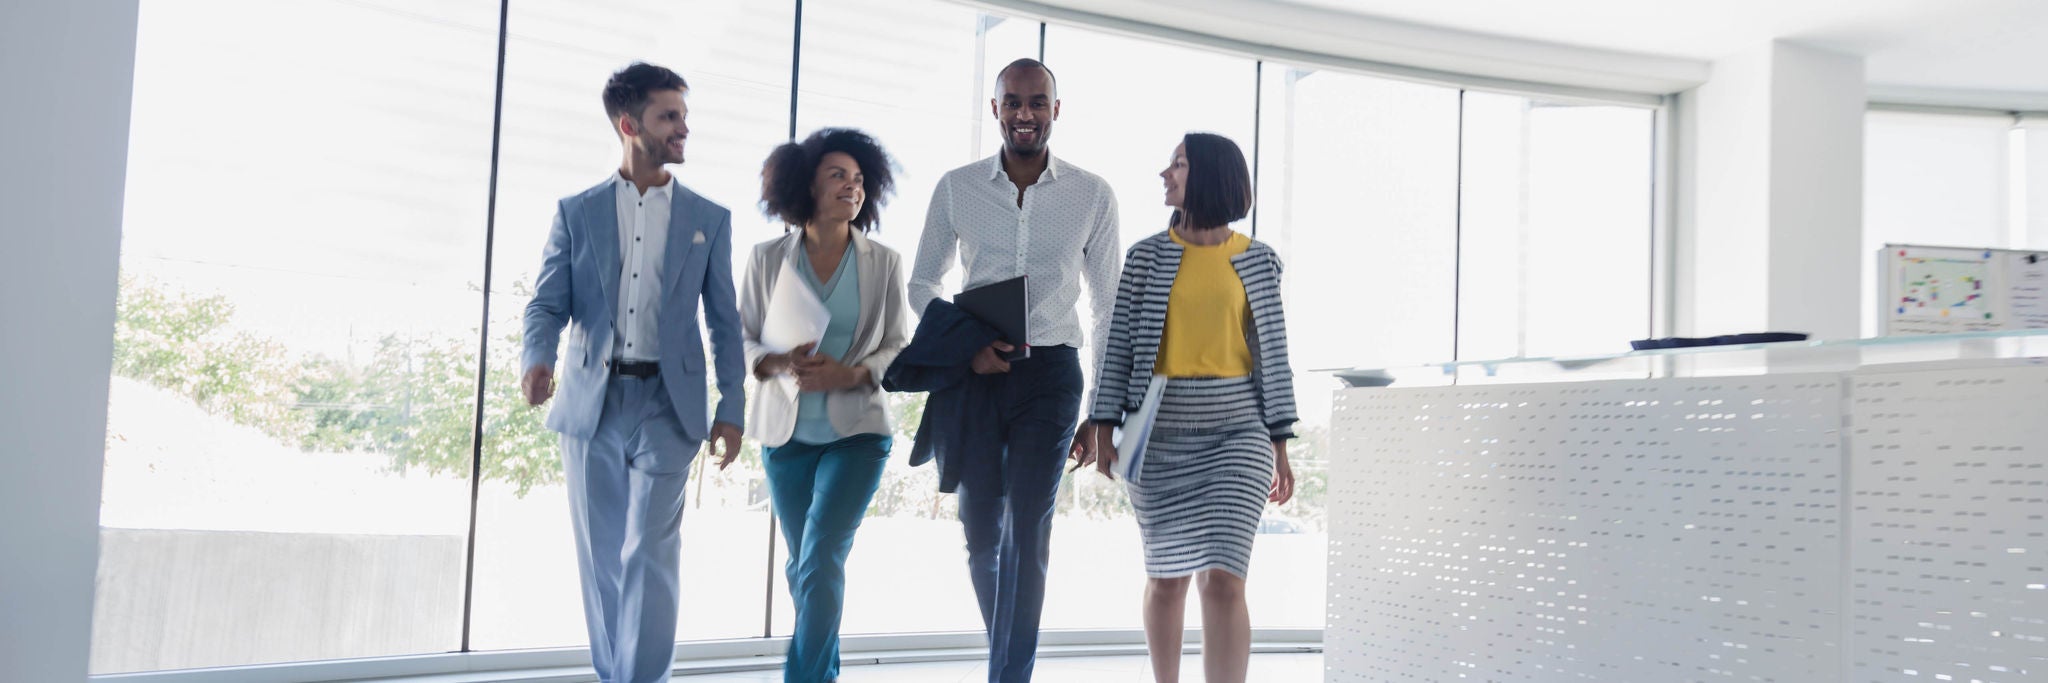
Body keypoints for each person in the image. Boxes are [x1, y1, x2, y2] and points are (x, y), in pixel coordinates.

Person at [520, 61, 746, 683]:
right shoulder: (577, 212)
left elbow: (725, 322)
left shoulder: (709, 217)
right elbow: (546, 303)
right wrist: (537, 357)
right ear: (629, 124)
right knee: (601, 559)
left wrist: (732, 406)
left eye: (683, 116)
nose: (682, 129)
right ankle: (613, 674)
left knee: (651, 551)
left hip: (669, 407)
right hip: (592, 404)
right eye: (668, 117)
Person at [906, 57, 1122, 683]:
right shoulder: (956, 187)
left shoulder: (1092, 194)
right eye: (1012, 102)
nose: (1024, 113)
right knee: (980, 537)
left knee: (1026, 528)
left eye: (1037, 102)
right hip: (976, 373)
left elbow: (1107, 308)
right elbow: (921, 282)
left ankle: (1008, 676)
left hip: (1052, 375)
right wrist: (965, 346)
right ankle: (1008, 661)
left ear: (1057, 110)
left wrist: (1100, 414)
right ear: (995, 108)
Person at [1081, 132, 1298, 683]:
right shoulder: (1145, 256)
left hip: (1238, 432)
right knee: (1168, 576)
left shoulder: (1258, 260)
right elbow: (1119, 346)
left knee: (1225, 578)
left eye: (1177, 164)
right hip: (1157, 433)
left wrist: (1280, 446)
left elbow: (1273, 355)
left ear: (1210, 175)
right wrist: (1104, 427)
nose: (1165, 173)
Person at [741, 128, 910, 683]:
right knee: (804, 566)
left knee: (819, 558)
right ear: (805, 183)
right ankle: (825, 670)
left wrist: (852, 372)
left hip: (857, 433)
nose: (852, 187)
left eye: (860, 180)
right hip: (785, 437)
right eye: (838, 175)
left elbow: (897, 344)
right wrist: (776, 361)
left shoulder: (883, 261)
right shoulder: (767, 259)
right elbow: (739, 339)